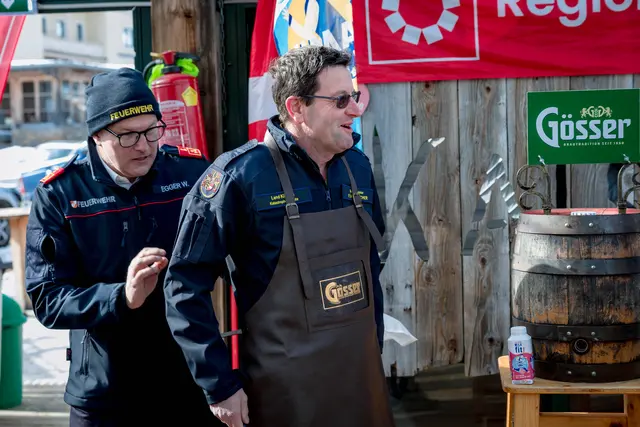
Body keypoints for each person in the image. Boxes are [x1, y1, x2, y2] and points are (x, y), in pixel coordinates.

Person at [164, 45, 395, 427]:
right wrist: (219, 384)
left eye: (353, 96)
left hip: (362, 385)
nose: (355, 109)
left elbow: (370, 265)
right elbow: (183, 285)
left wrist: (375, 346)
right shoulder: (239, 178)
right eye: (341, 100)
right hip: (285, 395)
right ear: (297, 107)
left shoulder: (357, 167)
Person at [24, 68, 222, 427]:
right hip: (103, 391)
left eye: (152, 131)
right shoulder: (60, 194)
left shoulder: (191, 174)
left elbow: (234, 254)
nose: (144, 146)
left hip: (186, 378)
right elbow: (47, 300)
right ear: (97, 136)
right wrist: (121, 296)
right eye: (128, 136)